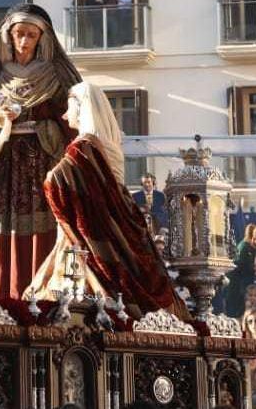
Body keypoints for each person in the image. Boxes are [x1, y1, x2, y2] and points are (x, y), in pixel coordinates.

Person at [23, 80, 190, 319]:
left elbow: (56, 179)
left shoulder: (83, 147)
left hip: (92, 232)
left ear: (82, 108)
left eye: (69, 108)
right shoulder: (108, 144)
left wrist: (47, 177)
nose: (65, 114)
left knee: (71, 298)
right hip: (120, 222)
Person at [0, 3, 82, 301]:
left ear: (42, 39)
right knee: (2, 226)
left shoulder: (57, 75)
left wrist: (46, 121)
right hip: (5, 167)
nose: (24, 41)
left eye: (31, 35)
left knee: (50, 222)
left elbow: (79, 118)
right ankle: (0, 295)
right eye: (19, 34)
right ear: (8, 36)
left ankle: (47, 293)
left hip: (45, 162)